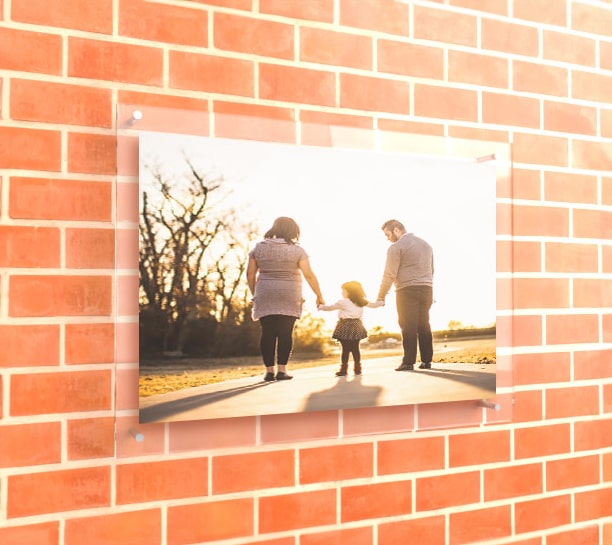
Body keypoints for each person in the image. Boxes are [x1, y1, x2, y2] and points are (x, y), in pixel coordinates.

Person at [247, 217, 325, 382]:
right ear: (293, 231)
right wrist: (319, 294)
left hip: (265, 292)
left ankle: (269, 372)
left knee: (267, 332)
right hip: (289, 293)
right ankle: (282, 370)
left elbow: (250, 274)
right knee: (285, 332)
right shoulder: (298, 251)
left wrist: (255, 293)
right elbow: (309, 275)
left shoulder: (258, 248)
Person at [377, 219, 434, 371]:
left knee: (408, 326)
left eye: (387, 234)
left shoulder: (396, 247)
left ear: (396, 230)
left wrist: (381, 295)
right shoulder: (426, 244)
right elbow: (431, 269)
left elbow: (389, 274)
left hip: (406, 290)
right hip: (427, 288)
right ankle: (427, 361)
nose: (387, 238)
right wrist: (428, 286)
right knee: (424, 324)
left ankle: (408, 362)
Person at [318, 281, 382, 377]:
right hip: (357, 325)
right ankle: (357, 369)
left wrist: (320, 306)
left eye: (343, 290)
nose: (342, 292)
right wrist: (381, 302)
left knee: (345, 349)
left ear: (349, 291)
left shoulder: (343, 302)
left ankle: (344, 370)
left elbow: (330, 308)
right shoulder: (362, 301)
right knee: (356, 348)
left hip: (345, 325)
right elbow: (374, 305)